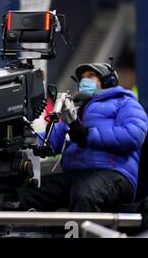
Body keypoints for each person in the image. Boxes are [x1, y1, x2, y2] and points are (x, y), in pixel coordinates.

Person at [19, 63, 148, 212]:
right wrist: (24, 140)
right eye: (82, 78)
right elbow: (54, 137)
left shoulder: (126, 103)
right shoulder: (76, 110)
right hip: (76, 176)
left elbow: (133, 135)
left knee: (85, 193)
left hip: (113, 175)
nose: (84, 81)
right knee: (30, 192)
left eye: (90, 76)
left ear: (108, 80)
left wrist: (89, 135)